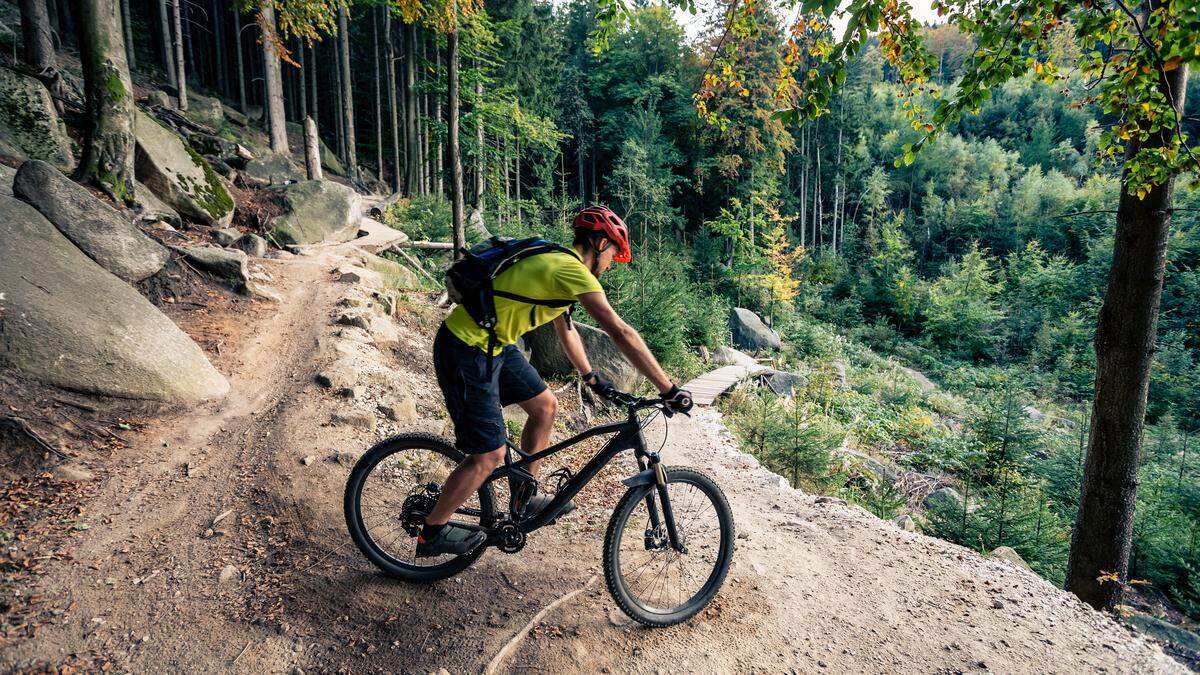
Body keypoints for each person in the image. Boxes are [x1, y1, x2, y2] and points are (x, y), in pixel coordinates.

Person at [418, 205, 693, 557]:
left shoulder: (560, 264)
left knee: (545, 407)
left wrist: (589, 375)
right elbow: (620, 331)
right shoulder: (570, 269)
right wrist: (668, 389)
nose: (611, 264)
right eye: (612, 253)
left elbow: (566, 328)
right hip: (467, 348)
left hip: (494, 344)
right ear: (598, 243)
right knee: (489, 454)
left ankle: (523, 497)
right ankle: (432, 531)